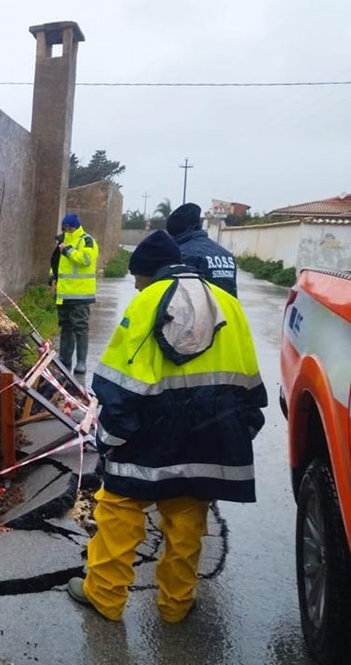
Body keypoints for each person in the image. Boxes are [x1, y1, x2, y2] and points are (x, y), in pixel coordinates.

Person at [66, 229, 267, 623]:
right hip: (213, 437)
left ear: (147, 273)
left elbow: (119, 387)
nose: (135, 284)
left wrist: (109, 440)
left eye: (136, 277)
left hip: (148, 435)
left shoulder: (144, 305)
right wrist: (236, 432)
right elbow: (250, 386)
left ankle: (105, 597)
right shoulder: (229, 305)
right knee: (188, 521)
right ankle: (176, 605)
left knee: (119, 513)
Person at [48, 213, 99, 376]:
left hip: (80, 294)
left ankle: (81, 362)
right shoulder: (61, 241)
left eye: (69, 227)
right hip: (63, 293)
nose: (67, 230)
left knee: (81, 328)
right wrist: (52, 279)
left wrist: (68, 251)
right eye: (64, 228)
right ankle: (65, 360)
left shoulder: (87, 240)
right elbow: (55, 264)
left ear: (75, 226)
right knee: (66, 327)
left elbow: (85, 259)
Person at [166, 202, 238, 297]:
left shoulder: (182, 254)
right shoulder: (226, 255)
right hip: (229, 310)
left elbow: (179, 298)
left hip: (202, 311)